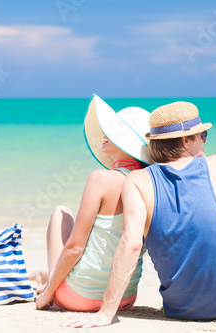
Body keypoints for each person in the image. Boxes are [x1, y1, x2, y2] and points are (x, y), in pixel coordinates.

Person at [62, 101, 216, 328]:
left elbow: (131, 244)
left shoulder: (137, 181)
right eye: (202, 135)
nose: (204, 139)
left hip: (180, 309)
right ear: (185, 140)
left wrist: (106, 313)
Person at [33, 94, 153, 312]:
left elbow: (74, 248)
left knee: (61, 212)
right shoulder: (152, 183)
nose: (105, 134)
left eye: (114, 132)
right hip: (125, 297)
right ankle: (45, 276)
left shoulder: (101, 178)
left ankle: (47, 280)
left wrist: (48, 295)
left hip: (79, 297)